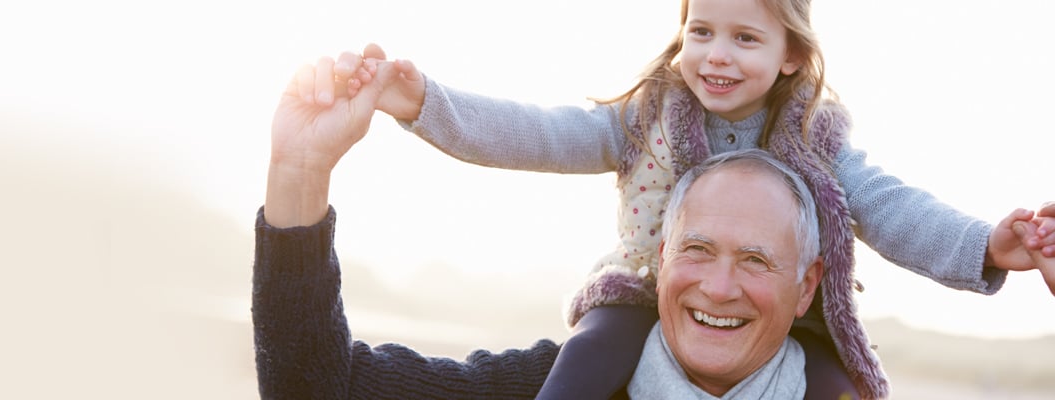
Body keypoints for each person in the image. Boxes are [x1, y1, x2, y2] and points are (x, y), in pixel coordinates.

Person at [304, 0, 1055, 397]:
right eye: (701, 30)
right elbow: (536, 133)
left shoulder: (817, 140)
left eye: (744, 38)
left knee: (841, 388)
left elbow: (894, 210)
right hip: (643, 292)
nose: (716, 55)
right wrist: (422, 102)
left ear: (791, 53)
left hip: (788, 318)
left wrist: (986, 244)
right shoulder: (647, 118)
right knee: (584, 364)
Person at [257, 59, 835, 398]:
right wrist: (299, 174)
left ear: (807, 285)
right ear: (661, 257)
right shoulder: (565, 382)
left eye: (756, 260)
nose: (718, 286)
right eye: (698, 249)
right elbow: (312, 387)